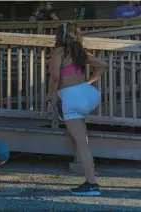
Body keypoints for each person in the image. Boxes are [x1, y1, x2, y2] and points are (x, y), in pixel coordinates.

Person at [46, 22, 107, 196]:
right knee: (82, 142)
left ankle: (92, 184)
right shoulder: (79, 52)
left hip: (71, 98)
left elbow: (56, 77)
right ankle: (91, 181)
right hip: (86, 95)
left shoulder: (59, 52)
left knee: (81, 144)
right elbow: (103, 64)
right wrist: (89, 82)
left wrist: (50, 99)